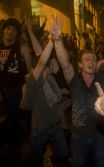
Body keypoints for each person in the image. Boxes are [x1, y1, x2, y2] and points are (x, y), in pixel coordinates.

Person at [51, 15, 104, 167]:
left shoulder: (102, 76)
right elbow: (65, 64)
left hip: (100, 134)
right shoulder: (74, 79)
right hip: (78, 136)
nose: (91, 61)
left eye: (93, 59)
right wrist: (58, 41)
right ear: (79, 64)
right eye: (87, 59)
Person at [20, 20, 68, 166]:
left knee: (64, 153)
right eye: (45, 67)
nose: (48, 69)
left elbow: (39, 52)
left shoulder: (50, 79)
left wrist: (30, 30)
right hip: (39, 129)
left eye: (48, 67)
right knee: (35, 157)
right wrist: (53, 40)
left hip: (56, 125)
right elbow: (41, 61)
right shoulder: (33, 82)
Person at [0, 17, 32, 148]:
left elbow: (31, 71)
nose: (10, 31)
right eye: (8, 28)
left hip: (18, 88)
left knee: (18, 115)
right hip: (3, 88)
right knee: (12, 115)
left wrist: (27, 88)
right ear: (3, 31)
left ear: (17, 33)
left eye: (14, 30)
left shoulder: (22, 48)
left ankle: (18, 142)